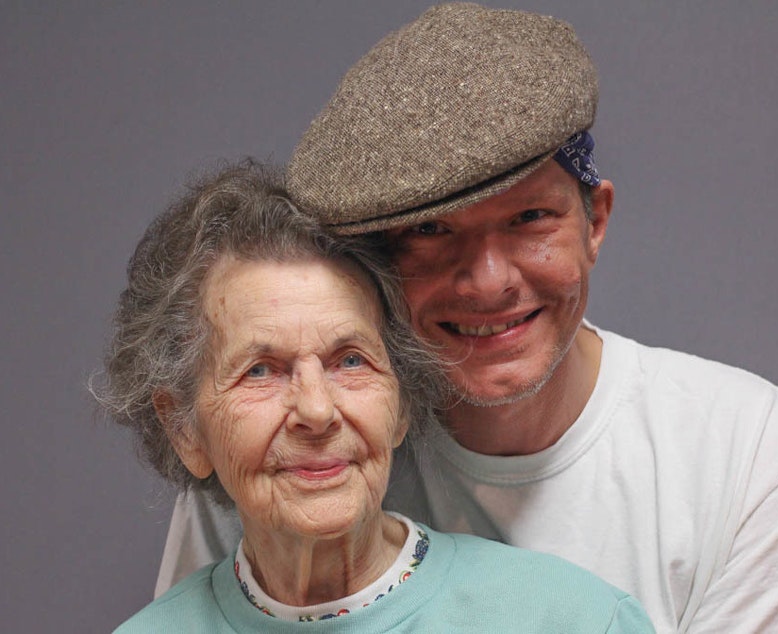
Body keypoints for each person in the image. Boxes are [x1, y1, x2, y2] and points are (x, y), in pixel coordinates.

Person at [156, 4, 778, 632]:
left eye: (529, 219)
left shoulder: (747, 455)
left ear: (595, 221)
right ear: (378, 264)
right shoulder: (298, 455)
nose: (488, 281)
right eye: (430, 231)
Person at [98, 161, 655, 632]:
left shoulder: (572, 619)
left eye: (350, 360)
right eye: (262, 371)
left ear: (402, 403)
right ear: (185, 430)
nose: (316, 412)